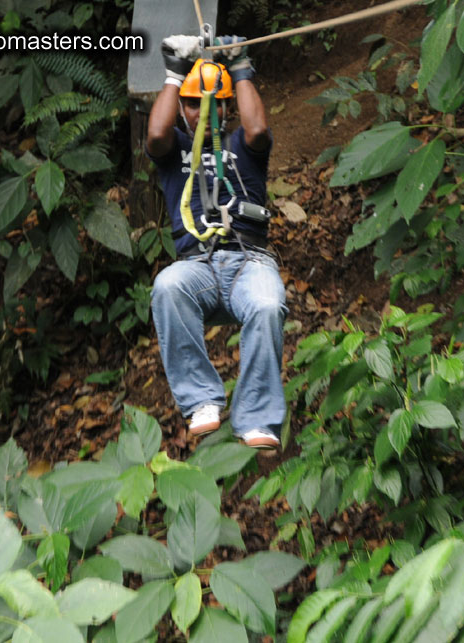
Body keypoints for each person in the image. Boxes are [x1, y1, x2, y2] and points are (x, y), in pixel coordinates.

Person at [146, 34, 286, 450]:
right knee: (167, 285)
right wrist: (174, 73)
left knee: (267, 303)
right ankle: (201, 401)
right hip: (197, 268)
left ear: (227, 107)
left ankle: (257, 418)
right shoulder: (175, 149)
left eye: (214, 102)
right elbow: (156, 134)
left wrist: (240, 66)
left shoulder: (243, 145)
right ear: (182, 108)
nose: (203, 110)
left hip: (248, 262)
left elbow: (257, 127)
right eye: (193, 103)